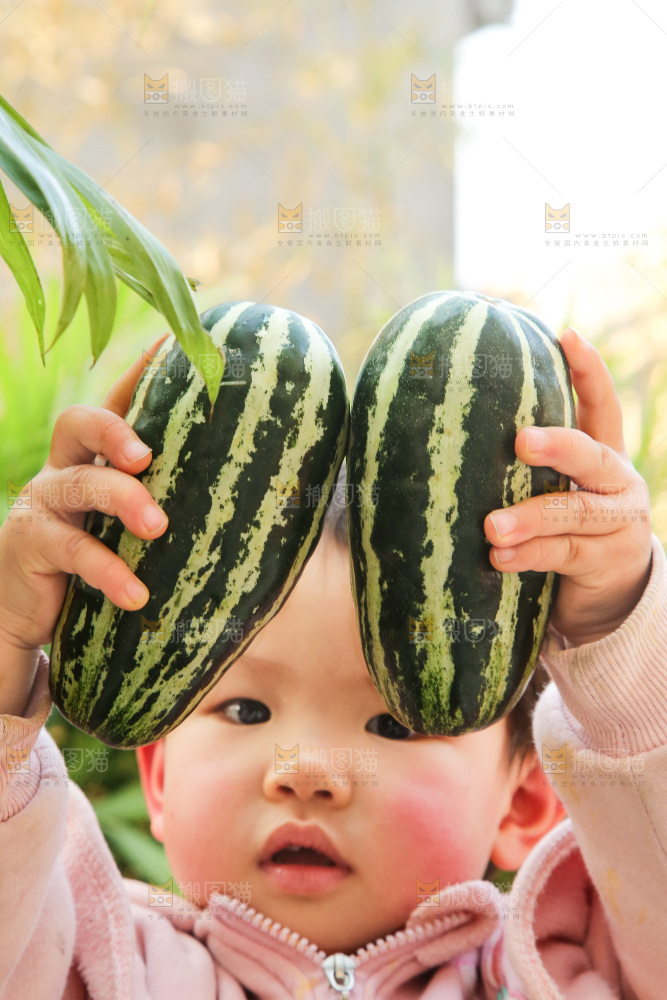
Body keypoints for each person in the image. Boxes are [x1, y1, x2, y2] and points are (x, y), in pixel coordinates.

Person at [0, 325, 664, 1000]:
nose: (306, 771)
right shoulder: (85, 960)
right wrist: (7, 636)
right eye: (246, 710)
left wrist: (614, 628)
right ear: (160, 774)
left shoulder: (555, 973)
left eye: (393, 724)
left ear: (523, 800)